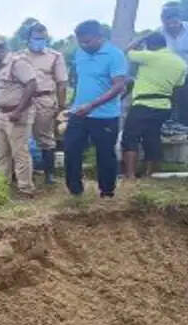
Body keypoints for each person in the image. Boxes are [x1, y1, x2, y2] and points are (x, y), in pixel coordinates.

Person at [65, 20, 128, 198]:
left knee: (105, 154)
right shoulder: (80, 54)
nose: (84, 46)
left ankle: (107, 192)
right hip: (79, 112)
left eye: (88, 41)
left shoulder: (115, 55)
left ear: (100, 37)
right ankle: (75, 190)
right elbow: (80, 81)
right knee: (71, 149)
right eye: (81, 42)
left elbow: (118, 86)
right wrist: (73, 103)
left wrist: (92, 105)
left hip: (105, 115)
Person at [122, 32, 186, 180]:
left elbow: (126, 52)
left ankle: (130, 176)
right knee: (152, 138)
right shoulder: (180, 62)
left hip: (143, 104)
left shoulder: (148, 56)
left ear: (150, 45)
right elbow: (179, 84)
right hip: (163, 106)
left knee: (130, 138)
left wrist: (138, 40)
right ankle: (149, 175)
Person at [0, 36, 38, 197]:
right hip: (1, 115)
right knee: (1, 153)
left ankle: (25, 190)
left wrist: (18, 111)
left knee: (19, 153)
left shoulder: (17, 63)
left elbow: (32, 85)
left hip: (17, 115)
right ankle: (1, 187)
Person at [21, 24, 67, 185]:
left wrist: (61, 107)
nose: (39, 41)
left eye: (42, 38)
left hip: (45, 100)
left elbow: (62, 83)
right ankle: (25, 174)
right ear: (28, 39)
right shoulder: (19, 57)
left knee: (46, 139)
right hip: (24, 101)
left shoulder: (55, 56)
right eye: (36, 38)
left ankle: (49, 175)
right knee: (21, 138)